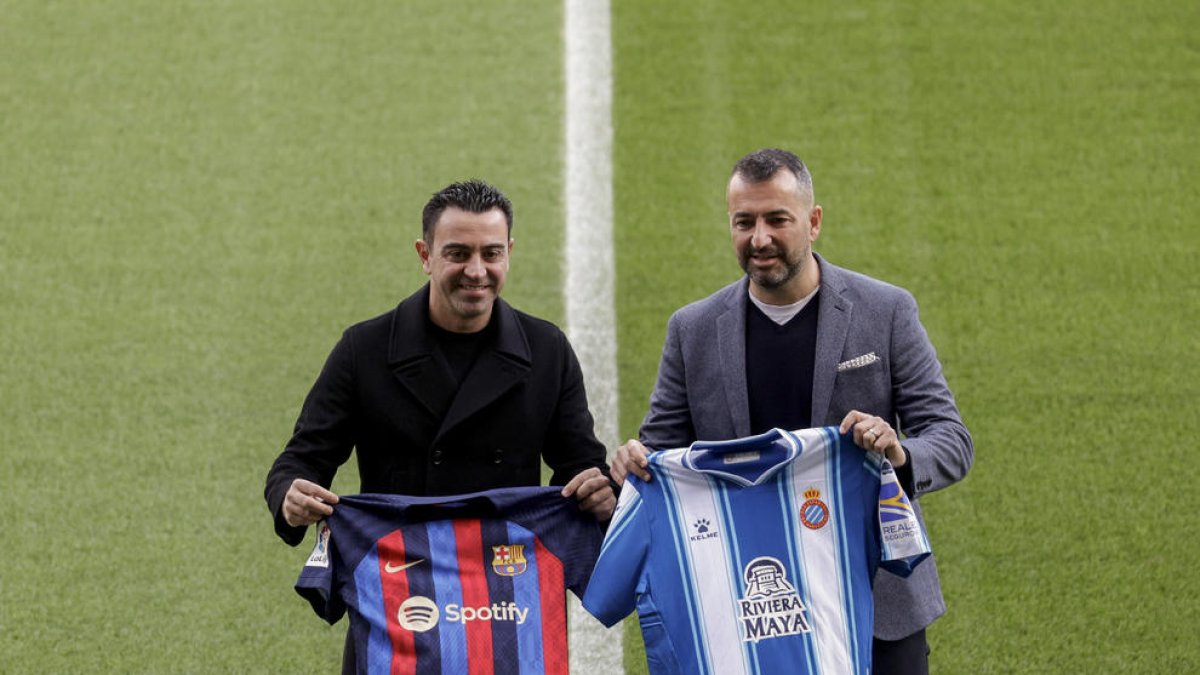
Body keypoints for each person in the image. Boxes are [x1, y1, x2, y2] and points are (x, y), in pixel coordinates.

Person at [612, 149, 973, 674]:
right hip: (751, 604)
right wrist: (632, 462)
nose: (760, 239)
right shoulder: (692, 331)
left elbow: (950, 439)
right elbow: (659, 453)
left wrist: (899, 453)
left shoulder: (886, 311)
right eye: (745, 222)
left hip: (874, 599)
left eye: (777, 219)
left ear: (814, 221)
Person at [265, 179, 615, 667]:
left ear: (509, 252)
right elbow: (300, 461)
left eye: (491, 253)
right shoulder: (363, 351)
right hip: (400, 603)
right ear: (424, 254)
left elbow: (581, 463)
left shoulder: (546, 350)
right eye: (458, 253)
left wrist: (600, 493)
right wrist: (290, 496)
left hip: (504, 598)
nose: (476, 271)